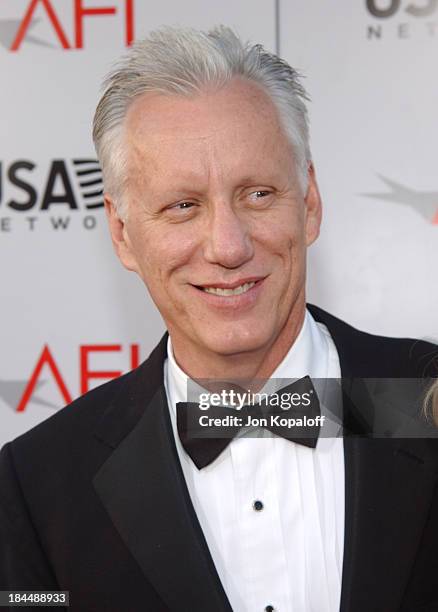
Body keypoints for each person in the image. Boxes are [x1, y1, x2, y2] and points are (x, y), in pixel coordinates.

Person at [1, 25, 437, 612]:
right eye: (182, 206)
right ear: (124, 234)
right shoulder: (36, 485)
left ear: (308, 204)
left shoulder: (424, 398)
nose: (227, 246)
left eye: (257, 194)